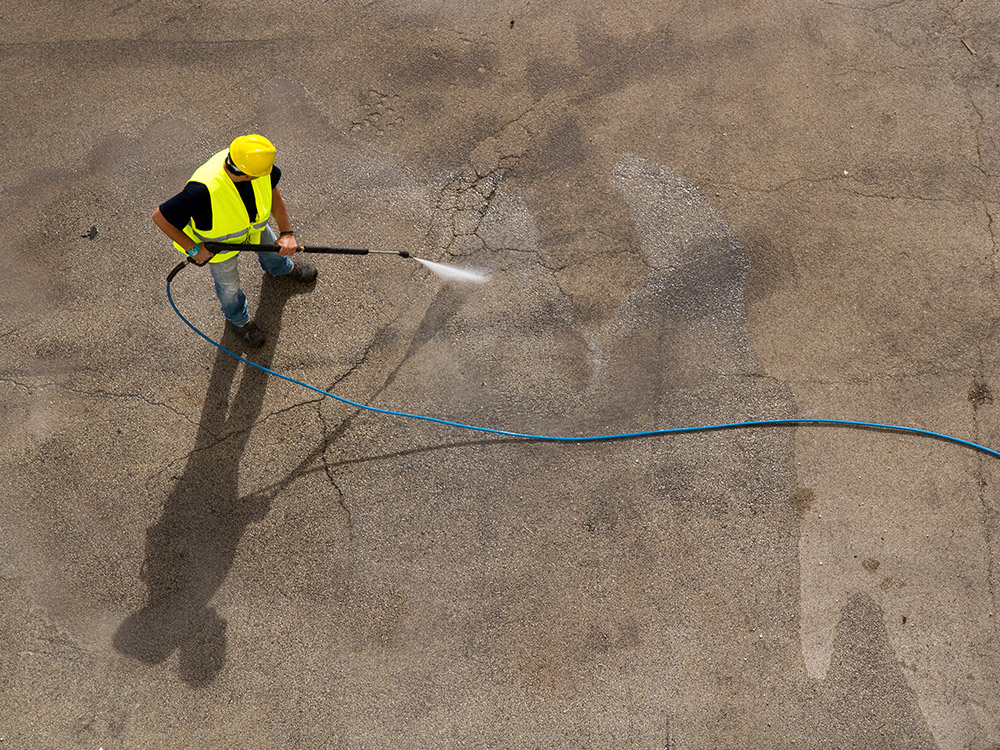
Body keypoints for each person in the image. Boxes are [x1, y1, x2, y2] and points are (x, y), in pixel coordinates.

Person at [153, 134, 317, 347]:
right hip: (219, 248)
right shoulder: (202, 189)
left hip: (255, 228)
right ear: (248, 174)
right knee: (229, 288)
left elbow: (273, 193)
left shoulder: (250, 161)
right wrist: (193, 249)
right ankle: (239, 321)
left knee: (275, 251)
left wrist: (286, 233)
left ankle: (281, 268)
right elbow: (160, 217)